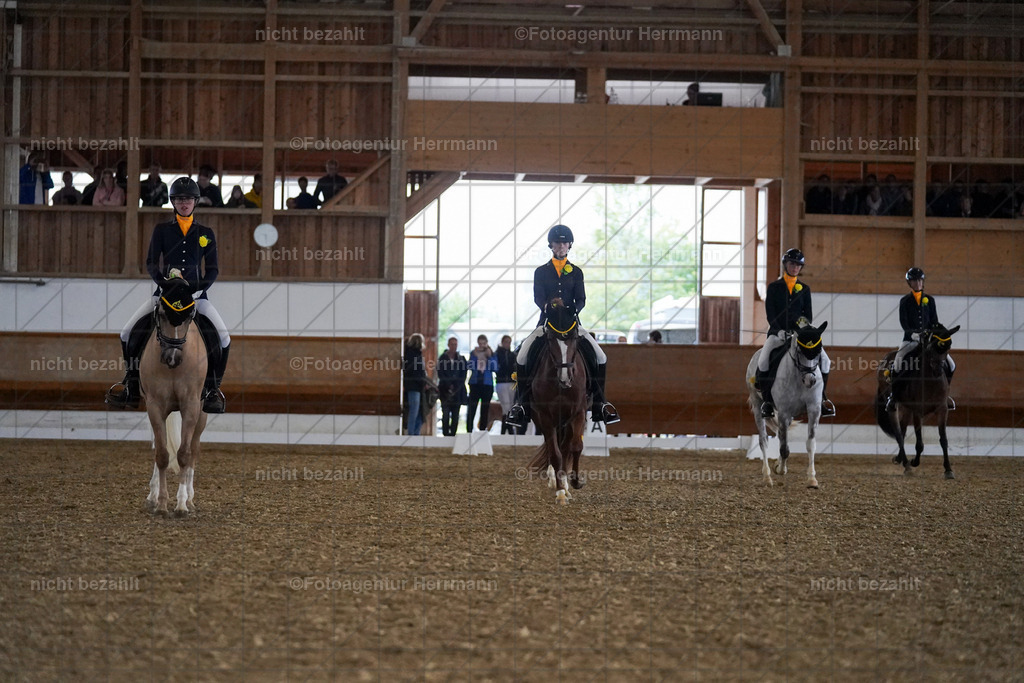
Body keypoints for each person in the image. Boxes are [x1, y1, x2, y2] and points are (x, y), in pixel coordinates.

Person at [104, 177, 231, 413]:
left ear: (195, 203)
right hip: (163, 294)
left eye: (189, 199)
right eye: (180, 199)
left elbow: (213, 269)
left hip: (195, 298)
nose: (184, 204)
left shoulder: (205, 233)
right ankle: (131, 386)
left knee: (224, 338)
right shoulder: (162, 230)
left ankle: (213, 390)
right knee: (126, 333)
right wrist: (165, 284)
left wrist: (195, 287)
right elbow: (152, 262)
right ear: (173, 202)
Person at [505, 224, 620, 428]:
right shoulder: (541, 272)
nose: (560, 246)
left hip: (572, 324)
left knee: (601, 356)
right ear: (551, 245)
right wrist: (548, 305)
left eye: (564, 242)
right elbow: (537, 297)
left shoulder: (576, 272)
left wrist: (568, 308)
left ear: (569, 245)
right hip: (547, 324)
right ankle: (521, 405)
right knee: (522, 355)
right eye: (557, 243)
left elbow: (582, 299)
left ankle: (601, 403)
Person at [754, 248, 834, 418]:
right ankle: (768, 402)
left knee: (825, 361)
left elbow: (808, 315)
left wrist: (800, 330)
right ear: (786, 265)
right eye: (792, 264)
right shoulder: (774, 287)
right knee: (763, 360)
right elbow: (771, 313)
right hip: (777, 333)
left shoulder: (804, 289)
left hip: (800, 334)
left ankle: (822, 399)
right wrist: (779, 330)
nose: (795, 267)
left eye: (798, 265)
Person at [886, 267, 955, 412]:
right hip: (910, 340)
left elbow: (934, 321)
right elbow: (904, 323)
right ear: (909, 283)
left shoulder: (930, 300)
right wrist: (914, 334)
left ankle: (945, 395)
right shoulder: (905, 301)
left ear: (922, 282)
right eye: (913, 281)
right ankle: (894, 396)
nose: (917, 283)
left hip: (929, 341)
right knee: (898, 363)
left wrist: (936, 334)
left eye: (919, 280)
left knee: (951, 364)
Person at [466, 335, 498, 432]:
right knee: (472, 408)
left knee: (485, 409)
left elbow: (495, 368)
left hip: (487, 384)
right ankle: (469, 430)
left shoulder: (492, 354)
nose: (482, 345)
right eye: (480, 343)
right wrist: (475, 357)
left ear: (487, 343)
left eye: (484, 343)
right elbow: (469, 366)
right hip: (475, 384)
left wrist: (489, 357)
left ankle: (482, 430)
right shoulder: (473, 353)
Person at [437, 337, 468, 437]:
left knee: (455, 415)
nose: (454, 346)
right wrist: (448, 385)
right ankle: (445, 435)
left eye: (455, 344)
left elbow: (463, 374)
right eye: (452, 344)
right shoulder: (442, 358)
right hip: (444, 391)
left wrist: (456, 386)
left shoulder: (461, 359)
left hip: (457, 391)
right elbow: (440, 373)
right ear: (448, 345)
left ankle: (453, 435)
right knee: (445, 415)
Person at [403, 333, 428, 435]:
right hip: (414, 387)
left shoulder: (412, 354)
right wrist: (423, 382)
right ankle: (411, 434)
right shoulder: (413, 355)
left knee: (419, 414)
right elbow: (416, 372)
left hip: (416, 387)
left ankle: (414, 434)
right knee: (414, 412)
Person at [494, 335, 517, 434]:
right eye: (506, 342)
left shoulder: (513, 355)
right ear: (502, 342)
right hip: (502, 382)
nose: (508, 344)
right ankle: (508, 429)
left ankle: (505, 429)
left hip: (511, 383)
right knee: (506, 406)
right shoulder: (497, 354)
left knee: (510, 406)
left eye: (509, 342)